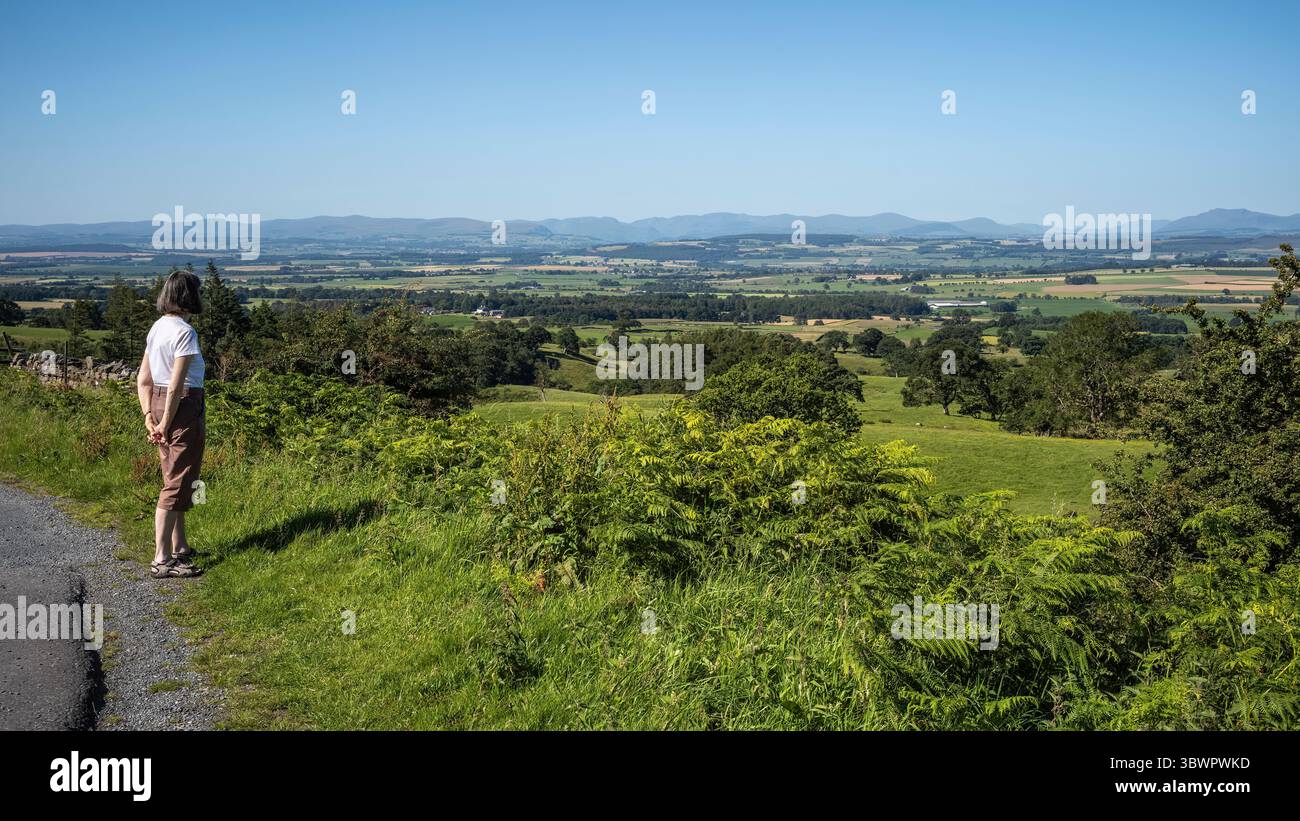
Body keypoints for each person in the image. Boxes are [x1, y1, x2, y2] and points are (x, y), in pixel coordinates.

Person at [136, 270, 206, 579]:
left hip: (158, 403)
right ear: (190, 296)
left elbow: (144, 379)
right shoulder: (185, 332)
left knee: (172, 475)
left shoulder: (157, 327)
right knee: (178, 481)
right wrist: (166, 422)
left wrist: (149, 416)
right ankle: (162, 559)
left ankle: (180, 547)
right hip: (183, 405)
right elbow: (178, 385)